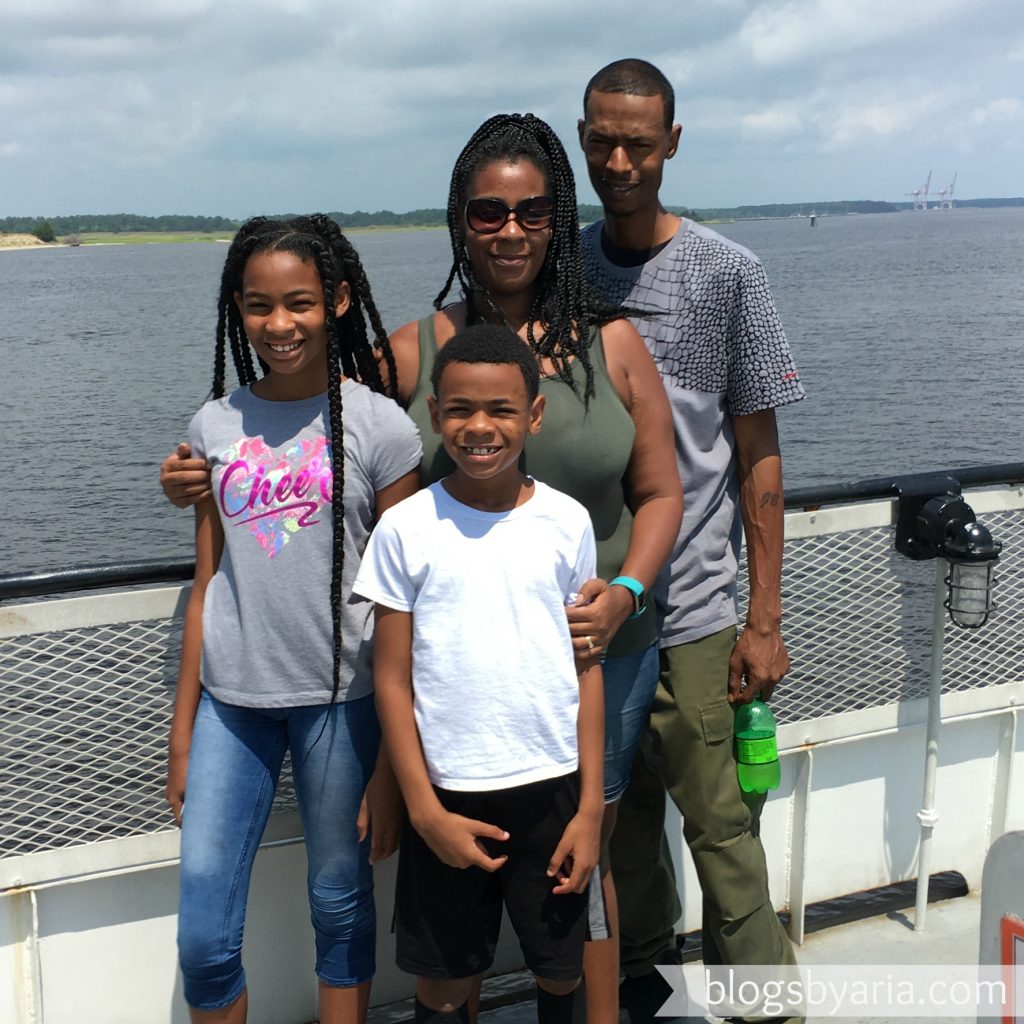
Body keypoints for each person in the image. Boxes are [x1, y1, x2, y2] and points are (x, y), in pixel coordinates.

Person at [161, 114, 683, 1024]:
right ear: (461, 219)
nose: (509, 229)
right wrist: (194, 476)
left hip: (600, 645)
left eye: (529, 210)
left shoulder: (616, 345)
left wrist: (627, 590)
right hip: (450, 678)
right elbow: (310, 419)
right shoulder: (409, 350)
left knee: (580, 861)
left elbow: (662, 493)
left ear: (559, 217)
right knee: (457, 908)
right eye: (487, 211)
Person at [576, 59, 806, 1022]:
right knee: (620, 831)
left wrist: (764, 619)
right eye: (603, 140)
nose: (620, 160)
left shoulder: (728, 273)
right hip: (597, 616)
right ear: (582, 139)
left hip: (703, 610)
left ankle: (764, 1006)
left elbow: (757, 456)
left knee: (722, 829)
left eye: (640, 141)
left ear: (673, 143)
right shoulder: (559, 269)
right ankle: (644, 991)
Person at [168, 215, 421, 1024]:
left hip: (343, 706)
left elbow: (403, 600)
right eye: (258, 305)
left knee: (339, 905)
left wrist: (391, 761)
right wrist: (183, 728)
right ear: (236, 311)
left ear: (339, 301)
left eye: (300, 302)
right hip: (230, 706)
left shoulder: (381, 425)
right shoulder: (214, 428)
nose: (279, 324)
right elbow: (206, 581)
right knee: (205, 936)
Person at [354, 324, 604, 1024]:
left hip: (550, 791)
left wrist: (588, 810)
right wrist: (423, 810)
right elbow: (391, 680)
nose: (479, 427)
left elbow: (588, 668)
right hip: (448, 789)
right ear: (434, 416)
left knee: (558, 972)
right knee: (442, 983)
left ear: (535, 415)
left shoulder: (567, 522)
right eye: (459, 410)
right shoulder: (405, 528)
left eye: (500, 410)